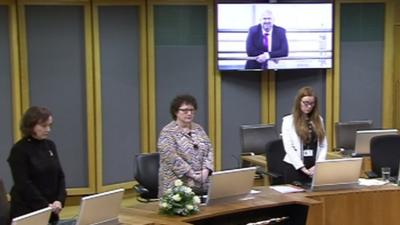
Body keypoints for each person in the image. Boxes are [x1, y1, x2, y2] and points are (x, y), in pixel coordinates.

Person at [8, 106, 66, 225]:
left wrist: (59, 200)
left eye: (50, 125)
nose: (48, 129)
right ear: (31, 125)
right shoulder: (19, 150)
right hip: (28, 211)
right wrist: (45, 206)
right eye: (44, 126)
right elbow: (23, 184)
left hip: (52, 210)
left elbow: (60, 175)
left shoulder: (50, 145)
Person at [158, 95, 214, 197]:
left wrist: (206, 170)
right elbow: (171, 157)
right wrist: (192, 174)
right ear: (176, 112)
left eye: (192, 110)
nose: (189, 113)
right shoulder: (167, 132)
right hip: (177, 184)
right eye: (185, 110)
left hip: (202, 180)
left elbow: (209, 150)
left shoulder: (198, 129)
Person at [281, 87, 327, 184]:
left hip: (315, 168)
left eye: (312, 103)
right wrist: (302, 168)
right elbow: (289, 148)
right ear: (299, 102)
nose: (309, 106)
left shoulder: (319, 120)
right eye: (305, 103)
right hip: (294, 167)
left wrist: (318, 165)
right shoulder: (288, 121)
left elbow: (323, 145)